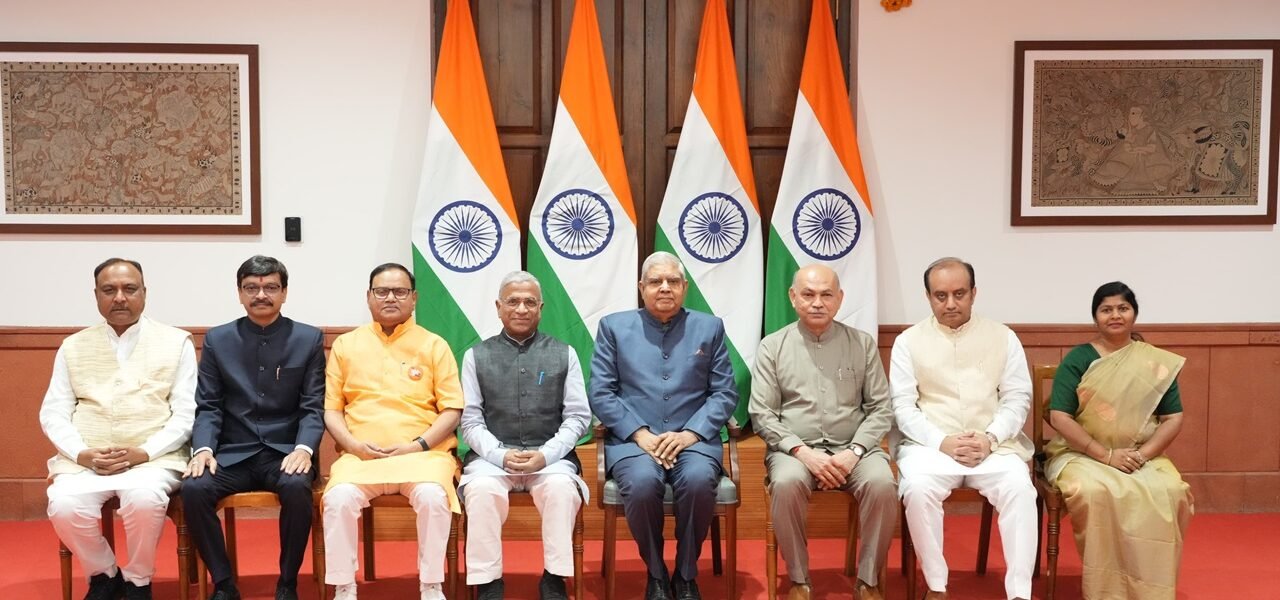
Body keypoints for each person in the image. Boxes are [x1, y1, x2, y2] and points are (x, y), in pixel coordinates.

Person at [39, 258, 196, 600]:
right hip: (86, 459)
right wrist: (82, 453)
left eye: (129, 289)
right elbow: (53, 412)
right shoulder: (73, 346)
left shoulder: (176, 342)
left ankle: (139, 580)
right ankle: (105, 574)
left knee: (143, 499)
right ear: (96, 295)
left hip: (153, 459)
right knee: (63, 505)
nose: (120, 298)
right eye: (109, 290)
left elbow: (186, 414)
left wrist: (145, 452)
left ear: (144, 293)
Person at [589, 251, 738, 600]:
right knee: (641, 484)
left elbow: (724, 393)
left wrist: (690, 434)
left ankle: (686, 574)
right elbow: (601, 392)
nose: (665, 288)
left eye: (673, 281)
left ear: (685, 287)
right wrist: (640, 434)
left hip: (694, 439)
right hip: (633, 441)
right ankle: (656, 574)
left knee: (700, 481)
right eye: (656, 282)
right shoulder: (613, 327)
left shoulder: (709, 327)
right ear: (642, 288)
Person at [890, 257, 1036, 600]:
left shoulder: (1003, 337)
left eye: (959, 293)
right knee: (918, 488)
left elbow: (1017, 398)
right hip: (930, 447)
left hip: (994, 447)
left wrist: (990, 438)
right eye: (940, 296)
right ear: (928, 297)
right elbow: (902, 407)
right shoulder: (907, 342)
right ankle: (937, 586)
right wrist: (942, 442)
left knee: (1020, 488)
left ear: (974, 293)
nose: (951, 303)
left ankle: (1019, 593)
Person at [182, 256, 326, 600]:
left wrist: (303, 449)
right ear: (240, 293)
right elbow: (209, 404)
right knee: (194, 488)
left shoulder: (307, 338)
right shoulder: (219, 339)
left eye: (270, 287)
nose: (261, 295)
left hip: (284, 452)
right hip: (233, 453)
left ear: (284, 293)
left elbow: (312, 406)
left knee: (295, 487)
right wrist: (203, 449)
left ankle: (287, 582)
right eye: (252, 288)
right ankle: (224, 583)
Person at [749, 265, 896, 600]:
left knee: (883, 483)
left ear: (840, 299)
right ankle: (799, 580)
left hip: (855, 449)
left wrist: (854, 452)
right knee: (785, 484)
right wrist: (803, 452)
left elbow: (880, 409)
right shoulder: (773, 347)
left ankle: (869, 580)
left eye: (826, 294)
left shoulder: (862, 344)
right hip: (796, 452)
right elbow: (762, 414)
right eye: (808, 294)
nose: (817, 302)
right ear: (793, 297)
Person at [322, 263, 464, 600]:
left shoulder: (434, 345)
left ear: (414, 298)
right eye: (381, 291)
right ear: (368, 297)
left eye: (399, 292)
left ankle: (431, 585)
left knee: (433, 496)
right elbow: (332, 410)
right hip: (361, 456)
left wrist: (419, 445)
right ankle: (344, 586)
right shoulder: (346, 345)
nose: (390, 298)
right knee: (338, 499)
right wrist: (353, 445)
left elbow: (452, 409)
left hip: (423, 455)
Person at [1045, 281, 1192, 599]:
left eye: (1122, 308)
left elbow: (1173, 418)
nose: (1115, 315)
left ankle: (1149, 589)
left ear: (1134, 313)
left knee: (1171, 491)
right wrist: (1106, 455)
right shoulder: (1079, 358)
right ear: (1095, 317)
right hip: (1081, 453)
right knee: (1094, 491)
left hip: (1140, 452)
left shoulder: (1154, 363)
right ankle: (1107, 589)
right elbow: (1060, 417)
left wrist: (1142, 455)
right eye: (1106, 309)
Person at [459, 271, 590, 600]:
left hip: (550, 458)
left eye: (529, 302)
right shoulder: (475, 356)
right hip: (492, 459)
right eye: (513, 302)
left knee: (561, 489)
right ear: (499, 307)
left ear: (541, 308)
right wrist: (499, 455)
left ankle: (554, 578)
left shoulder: (565, 353)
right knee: (483, 491)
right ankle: (488, 583)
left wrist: (546, 454)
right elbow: (471, 419)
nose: (521, 309)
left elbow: (577, 416)